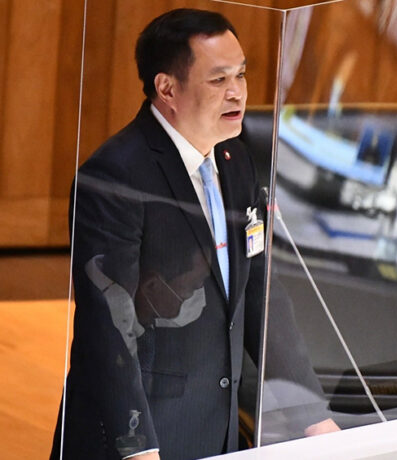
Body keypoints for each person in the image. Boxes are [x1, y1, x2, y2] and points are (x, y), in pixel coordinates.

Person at [50, 8, 337, 460]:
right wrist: (138, 448)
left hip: (214, 428)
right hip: (139, 437)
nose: (237, 92)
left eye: (240, 74)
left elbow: (261, 294)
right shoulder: (114, 177)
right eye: (218, 79)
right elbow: (108, 328)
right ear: (167, 88)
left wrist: (311, 414)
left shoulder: (237, 163)